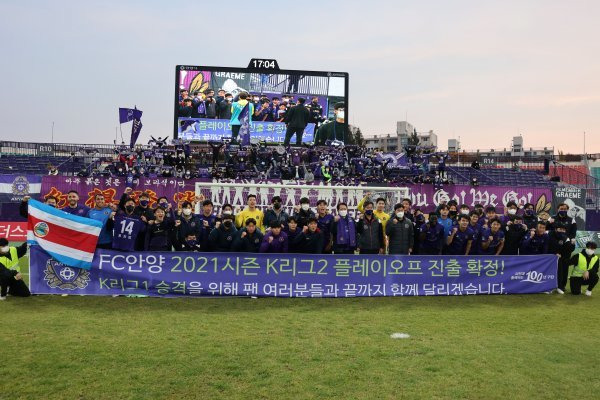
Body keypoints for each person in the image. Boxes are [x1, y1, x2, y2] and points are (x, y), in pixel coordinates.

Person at [549, 226, 576, 294]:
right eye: (560, 229)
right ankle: (550, 287)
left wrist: (572, 244)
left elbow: (569, 249)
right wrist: (555, 253)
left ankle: (561, 287)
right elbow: (549, 246)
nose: (562, 231)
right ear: (556, 229)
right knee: (551, 273)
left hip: (563, 258)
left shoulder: (566, 238)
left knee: (563, 273)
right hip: (552, 258)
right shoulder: (551, 235)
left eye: (563, 230)